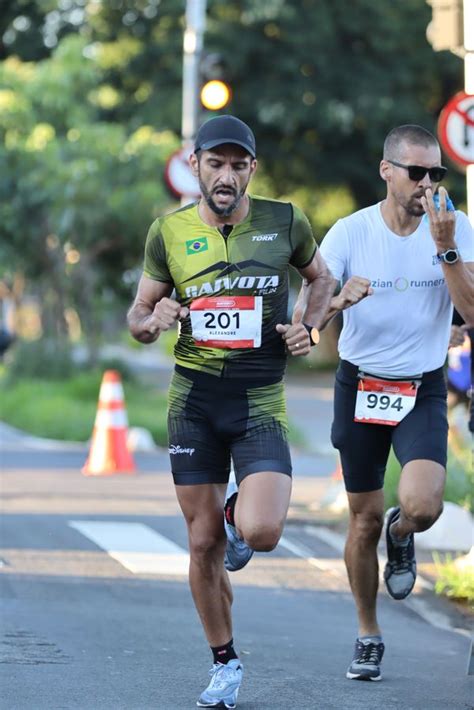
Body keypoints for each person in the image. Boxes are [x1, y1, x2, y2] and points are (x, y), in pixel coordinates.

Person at [127, 114, 334, 708]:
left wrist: (310, 327)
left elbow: (319, 279)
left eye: (237, 165)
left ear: (252, 170)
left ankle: (236, 514)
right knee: (200, 546)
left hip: (259, 397)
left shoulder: (285, 220)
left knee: (262, 532)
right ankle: (225, 664)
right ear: (195, 166)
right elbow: (139, 314)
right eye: (215, 163)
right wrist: (153, 322)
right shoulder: (166, 232)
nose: (226, 175)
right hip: (193, 399)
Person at [304, 124, 473, 682]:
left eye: (436, 174)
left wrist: (446, 248)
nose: (427, 185)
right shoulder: (350, 234)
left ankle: (404, 537)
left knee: (422, 507)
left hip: (422, 385)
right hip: (361, 384)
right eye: (416, 172)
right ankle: (367, 631)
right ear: (387, 171)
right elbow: (312, 313)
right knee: (362, 521)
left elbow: (472, 312)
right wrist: (338, 298)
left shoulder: (454, 227)